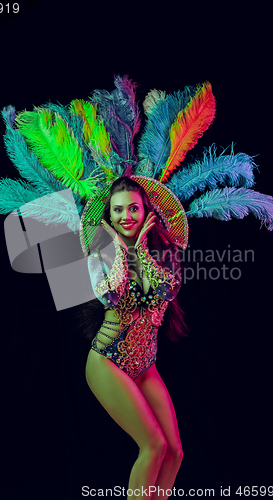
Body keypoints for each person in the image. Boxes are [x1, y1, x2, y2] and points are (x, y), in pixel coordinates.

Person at [85, 177, 185, 499]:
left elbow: (166, 290)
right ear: (109, 217)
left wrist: (141, 249)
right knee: (153, 445)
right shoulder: (98, 257)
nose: (126, 216)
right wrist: (118, 246)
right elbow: (111, 296)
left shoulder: (165, 253)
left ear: (146, 212)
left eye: (133, 208)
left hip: (146, 366)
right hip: (107, 361)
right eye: (118, 210)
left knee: (174, 453)